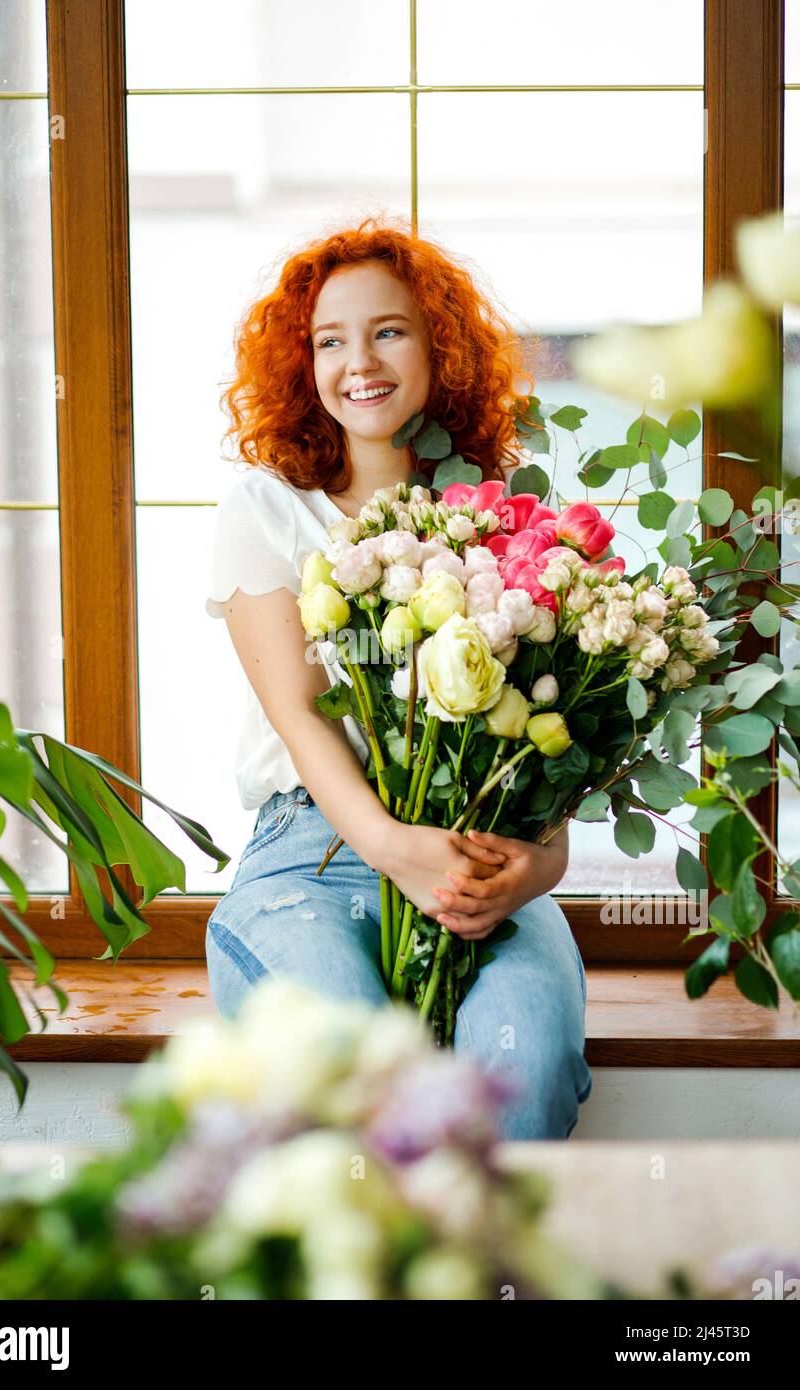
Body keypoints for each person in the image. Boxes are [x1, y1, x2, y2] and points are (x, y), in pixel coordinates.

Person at [203, 215, 592, 1139]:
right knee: (358, 1062)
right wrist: (393, 847)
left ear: (438, 348)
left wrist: (539, 867)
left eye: (387, 330)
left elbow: (556, 733)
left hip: (480, 861)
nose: (358, 362)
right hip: (314, 851)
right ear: (305, 367)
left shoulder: (509, 514)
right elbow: (299, 718)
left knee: (524, 1055)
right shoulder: (267, 510)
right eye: (330, 341)